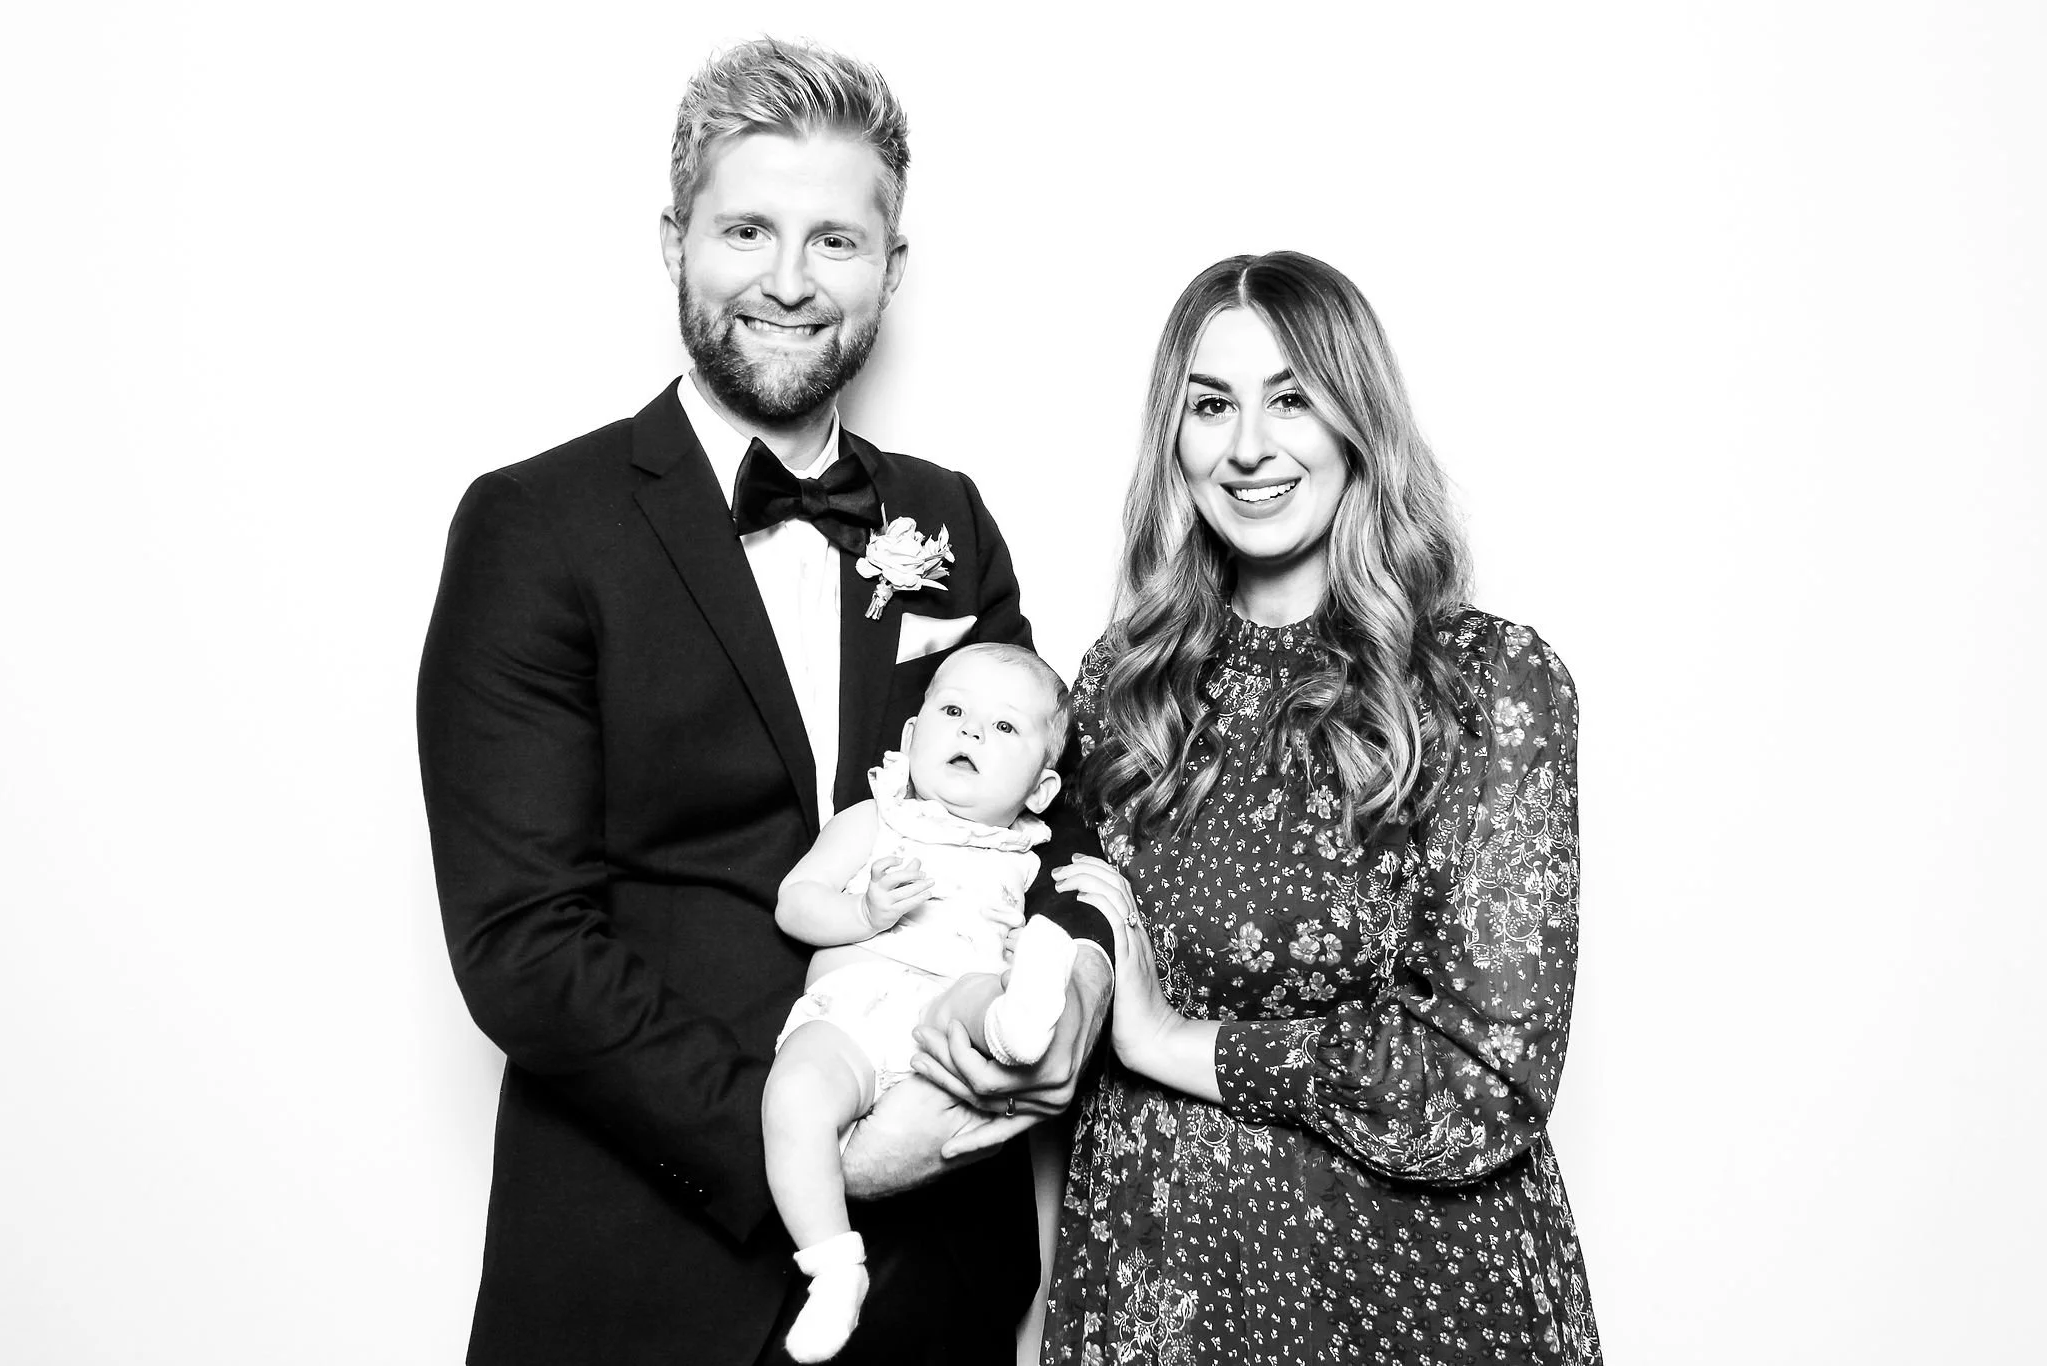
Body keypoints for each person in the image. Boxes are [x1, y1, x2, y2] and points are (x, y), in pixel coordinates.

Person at [416, 39, 1108, 1366]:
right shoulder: (533, 527)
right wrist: (827, 1145)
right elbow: (523, 940)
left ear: (893, 268)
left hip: (939, 1283)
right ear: (675, 239)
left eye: (837, 240)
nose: (791, 280)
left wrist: (1075, 965)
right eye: (748, 229)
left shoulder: (943, 517)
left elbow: (1053, 813)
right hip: (642, 1269)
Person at [1039, 252, 1601, 1364]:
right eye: (1210, 404)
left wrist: (1166, 1040)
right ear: (1176, 437)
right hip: (1159, 1287)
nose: (1247, 444)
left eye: (1290, 397)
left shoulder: (1485, 684)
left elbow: (1484, 1080)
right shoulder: (1118, 687)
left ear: (1357, 421)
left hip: (1409, 1300)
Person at [765, 644, 1104, 1361]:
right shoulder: (875, 820)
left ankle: (1017, 1018)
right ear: (913, 739)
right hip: (853, 1015)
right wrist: (864, 913)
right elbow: (795, 902)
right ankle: (833, 1269)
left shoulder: (1026, 852)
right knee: (793, 1095)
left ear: (1041, 790)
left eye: (1004, 728)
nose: (972, 733)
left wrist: (1029, 962)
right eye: (953, 712)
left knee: (984, 991)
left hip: (945, 1017)